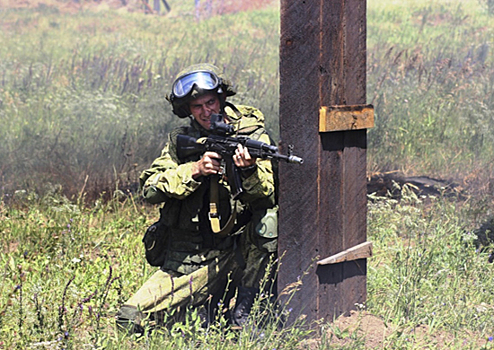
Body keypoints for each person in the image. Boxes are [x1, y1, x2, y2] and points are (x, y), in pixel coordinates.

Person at [116, 63, 278, 333]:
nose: (206, 112)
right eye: (197, 107)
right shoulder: (182, 141)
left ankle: (245, 312)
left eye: (211, 102)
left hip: (240, 253)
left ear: (222, 99)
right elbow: (149, 189)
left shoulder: (250, 134)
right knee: (128, 318)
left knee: (270, 222)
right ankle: (207, 309)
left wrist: (248, 170)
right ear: (187, 110)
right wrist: (195, 170)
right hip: (194, 258)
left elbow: (267, 195)